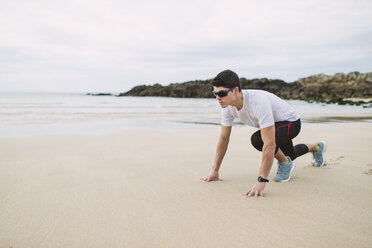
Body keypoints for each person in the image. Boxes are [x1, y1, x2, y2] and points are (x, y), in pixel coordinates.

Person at [203, 70, 326, 197]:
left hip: (291, 123)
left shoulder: (257, 102)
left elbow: (269, 143)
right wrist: (215, 170)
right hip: (274, 126)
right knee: (290, 155)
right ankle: (316, 147)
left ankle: (285, 163)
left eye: (222, 93)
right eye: (215, 93)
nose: (218, 98)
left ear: (235, 90)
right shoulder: (227, 106)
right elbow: (224, 138)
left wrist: (261, 180)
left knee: (259, 140)